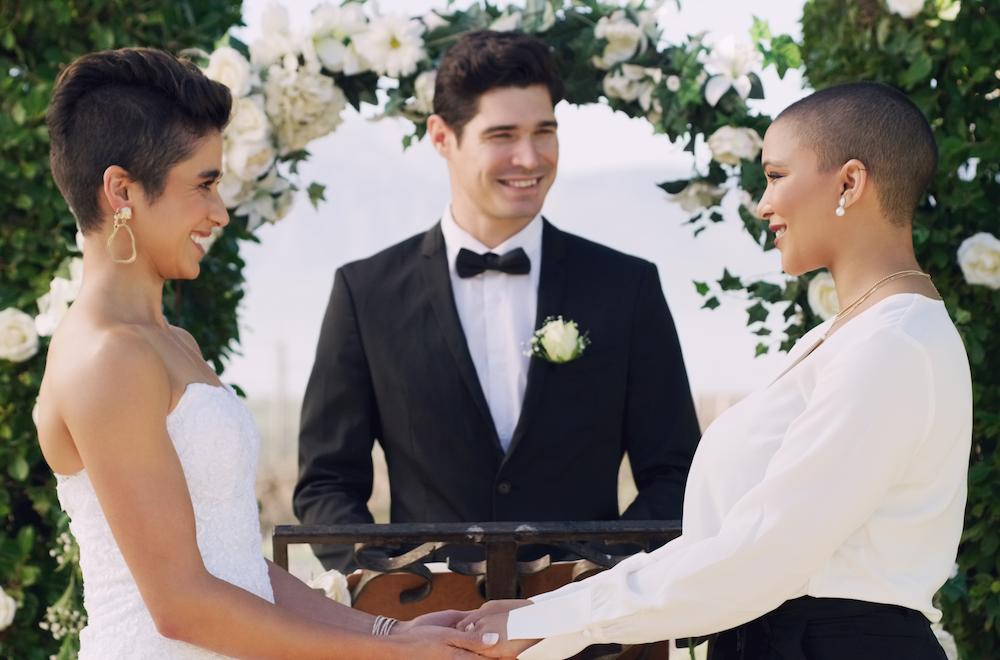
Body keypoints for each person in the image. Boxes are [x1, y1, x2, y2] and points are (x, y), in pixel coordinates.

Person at [458, 81, 971, 660]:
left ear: (848, 183)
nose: (762, 203)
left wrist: (551, 621)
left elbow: (761, 553)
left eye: (776, 176)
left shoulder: (892, 345)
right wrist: (540, 618)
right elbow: (729, 545)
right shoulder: (849, 337)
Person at [34, 47, 493, 659]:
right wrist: (394, 657)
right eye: (203, 184)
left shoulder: (171, 344)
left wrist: (395, 631)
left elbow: (236, 567)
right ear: (121, 190)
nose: (219, 212)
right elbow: (180, 604)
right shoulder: (106, 358)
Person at [294, 30, 701, 572]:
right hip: (426, 631)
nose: (529, 158)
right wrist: (398, 584)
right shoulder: (364, 293)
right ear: (442, 137)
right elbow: (326, 484)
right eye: (503, 135)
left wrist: (604, 574)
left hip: (594, 633)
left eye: (544, 132)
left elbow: (677, 471)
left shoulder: (627, 287)